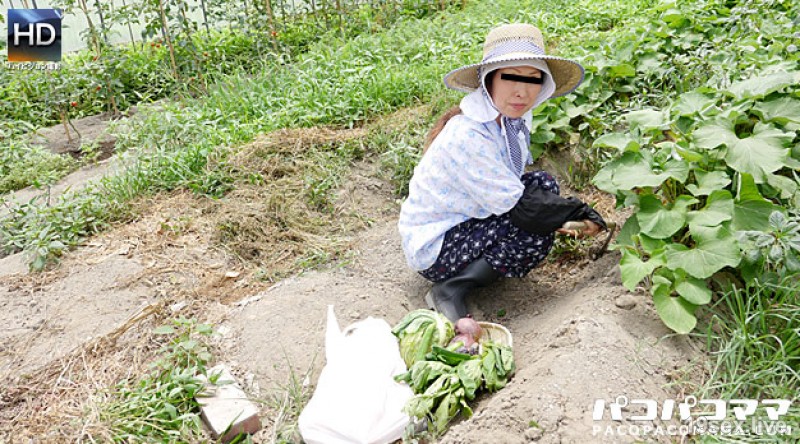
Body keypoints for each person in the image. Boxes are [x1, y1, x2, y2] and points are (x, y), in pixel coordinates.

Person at [398, 23, 608, 322]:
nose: (522, 91)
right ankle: (451, 289)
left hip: (466, 219)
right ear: (488, 80)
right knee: (533, 230)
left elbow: (518, 189)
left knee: (543, 184)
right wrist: (581, 212)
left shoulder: (509, 122)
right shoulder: (468, 135)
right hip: (437, 245)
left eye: (533, 79)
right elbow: (522, 207)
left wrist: (566, 212)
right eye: (510, 77)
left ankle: (485, 266)